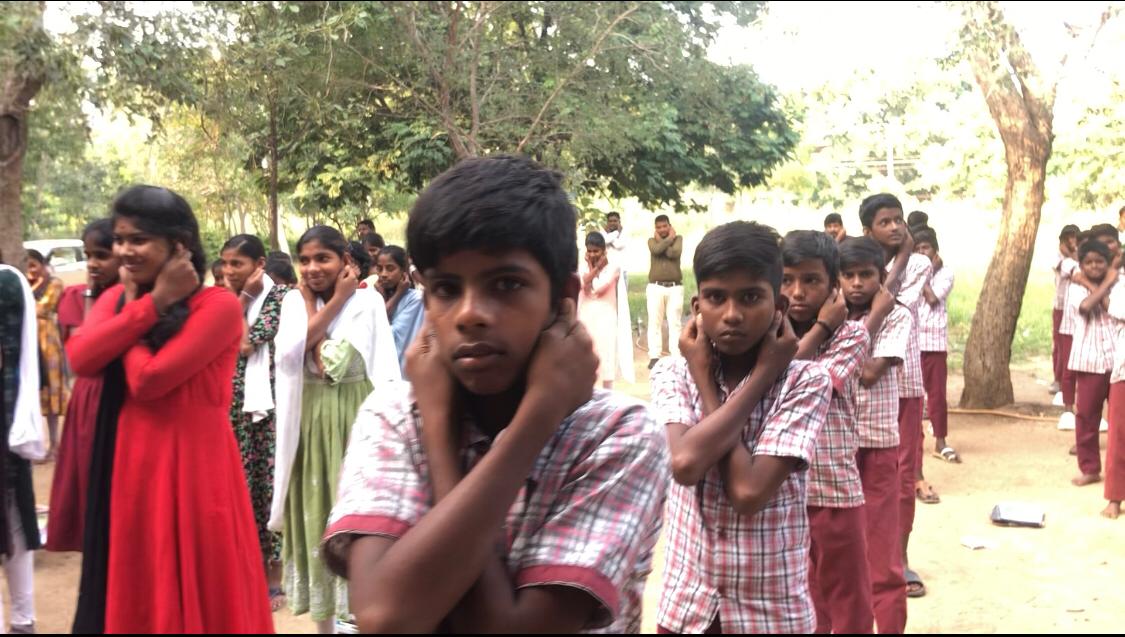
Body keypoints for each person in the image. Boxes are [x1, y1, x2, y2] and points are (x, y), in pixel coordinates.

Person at [321, 155, 668, 634]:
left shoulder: (615, 434)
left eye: (506, 284)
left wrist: (537, 418)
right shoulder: (395, 413)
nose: (470, 314)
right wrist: (440, 426)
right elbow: (386, 615)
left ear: (562, 298)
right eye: (445, 288)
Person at [66, 185, 273, 633]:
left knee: (205, 587)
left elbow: (149, 380)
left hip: (197, 468)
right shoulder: (116, 299)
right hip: (133, 467)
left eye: (138, 239)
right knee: (141, 582)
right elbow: (80, 358)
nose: (124, 251)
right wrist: (151, 304)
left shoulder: (217, 306)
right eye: (120, 239)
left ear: (178, 246)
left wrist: (136, 310)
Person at [653, 221, 830, 633]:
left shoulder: (805, 381)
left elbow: (749, 493)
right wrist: (705, 376)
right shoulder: (674, 374)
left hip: (770, 614)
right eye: (716, 297)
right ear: (697, 306)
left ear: (779, 305)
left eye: (751, 297)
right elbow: (685, 464)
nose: (732, 315)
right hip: (688, 608)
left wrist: (766, 374)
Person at [270, 225, 400, 633]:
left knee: (353, 524)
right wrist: (316, 308)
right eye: (304, 260)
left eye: (322, 258)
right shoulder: (293, 300)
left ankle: (362, 621)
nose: (311, 268)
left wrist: (330, 302)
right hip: (307, 425)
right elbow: (288, 354)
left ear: (345, 261)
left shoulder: (365, 302)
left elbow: (331, 364)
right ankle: (324, 629)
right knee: (314, 515)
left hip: (352, 421)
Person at [781, 230, 873, 633]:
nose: (797, 292)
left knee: (849, 600)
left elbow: (800, 382)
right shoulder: (769, 336)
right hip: (782, 494)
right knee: (801, 598)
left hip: (834, 490)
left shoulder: (852, 334)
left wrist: (821, 328)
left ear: (833, 286)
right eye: (786, 280)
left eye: (811, 280)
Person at [859, 193, 934, 602]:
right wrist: (896, 256)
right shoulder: (856, 266)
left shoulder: (919, 264)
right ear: (868, 229)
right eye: (884, 221)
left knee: (903, 478)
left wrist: (904, 256)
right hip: (861, 383)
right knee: (860, 474)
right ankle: (865, 558)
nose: (894, 227)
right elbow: (876, 294)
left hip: (903, 381)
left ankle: (898, 558)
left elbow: (887, 302)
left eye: (898, 220)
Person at [839, 237, 910, 633]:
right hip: (836, 450)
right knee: (834, 556)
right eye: (847, 275)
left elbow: (866, 373)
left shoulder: (897, 315)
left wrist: (875, 316)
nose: (856, 284)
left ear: (882, 278)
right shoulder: (827, 317)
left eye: (866, 274)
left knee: (883, 556)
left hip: (877, 444)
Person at [220, 234, 291, 611]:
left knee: (267, 488)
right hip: (232, 408)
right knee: (238, 488)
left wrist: (244, 299)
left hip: (267, 408)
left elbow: (246, 343)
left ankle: (274, 579)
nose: (230, 271)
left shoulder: (279, 298)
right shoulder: (222, 298)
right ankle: (244, 573)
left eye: (238, 264)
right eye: (226, 264)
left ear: (258, 264)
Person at [45, 219, 120, 553]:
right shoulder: (79, 296)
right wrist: (93, 290)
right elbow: (83, 348)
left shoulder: (138, 299)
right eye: (88, 254)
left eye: (101, 255)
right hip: (88, 397)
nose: (92, 263)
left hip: (114, 399)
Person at [0, 259, 46, 634]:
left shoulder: (8, 283)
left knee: (12, 512)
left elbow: (23, 360)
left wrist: (23, 422)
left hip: (5, 424)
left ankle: (22, 619)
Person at [1066, 239, 1116, 487]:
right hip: (1089, 360)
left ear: (1108, 263)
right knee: (1086, 416)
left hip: (1118, 361)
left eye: (1100, 262)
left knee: (1120, 419)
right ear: (1081, 264)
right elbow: (1086, 307)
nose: (1095, 266)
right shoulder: (1076, 288)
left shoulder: (1121, 284)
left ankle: (1119, 471)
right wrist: (1102, 282)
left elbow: (1113, 307)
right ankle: (1090, 468)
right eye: (1089, 262)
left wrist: (1106, 284)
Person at [914, 229, 958, 462]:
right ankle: (913, 443)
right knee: (912, 396)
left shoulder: (945, 274)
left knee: (937, 395)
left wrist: (921, 273)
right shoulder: (906, 272)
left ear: (935, 251)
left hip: (934, 343)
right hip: (912, 342)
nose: (922, 253)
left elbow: (932, 299)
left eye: (926, 248)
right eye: (918, 249)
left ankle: (940, 441)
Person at [24, 249, 66, 461]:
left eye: (34, 265)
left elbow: (42, 308)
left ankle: (55, 445)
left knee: (51, 393)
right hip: (28, 343)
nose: (31, 271)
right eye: (27, 266)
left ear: (42, 264)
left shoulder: (54, 283)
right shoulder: (26, 285)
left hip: (47, 344)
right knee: (34, 396)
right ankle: (38, 447)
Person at [578, 232, 631, 389]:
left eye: (596, 251)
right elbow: (584, 283)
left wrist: (595, 269)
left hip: (606, 317)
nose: (593, 254)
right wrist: (593, 267)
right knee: (587, 354)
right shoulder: (583, 266)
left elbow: (598, 288)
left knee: (606, 356)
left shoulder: (614, 267)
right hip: (586, 316)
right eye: (590, 251)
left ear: (604, 251)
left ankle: (608, 396)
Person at [373, 245, 425, 374]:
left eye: (390, 268)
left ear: (403, 271)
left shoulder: (416, 299)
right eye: (379, 269)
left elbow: (390, 335)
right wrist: (383, 297)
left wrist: (397, 296)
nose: (383, 274)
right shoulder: (374, 296)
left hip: (402, 373)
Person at [646, 214, 684, 370]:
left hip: (675, 287)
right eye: (658, 227)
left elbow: (673, 254)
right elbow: (656, 250)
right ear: (655, 228)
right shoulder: (651, 241)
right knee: (654, 322)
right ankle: (655, 356)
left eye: (664, 226)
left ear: (670, 226)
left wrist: (665, 241)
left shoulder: (679, 239)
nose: (662, 229)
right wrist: (668, 239)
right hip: (655, 287)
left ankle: (676, 355)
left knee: (675, 323)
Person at [1053, 225, 1082, 397]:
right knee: (1060, 345)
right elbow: (1069, 269)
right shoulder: (1058, 257)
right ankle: (1058, 379)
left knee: (1072, 346)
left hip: (1076, 308)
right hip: (1061, 306)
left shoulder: (1078, 257)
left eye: (1074, 237)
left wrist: (1072, 253)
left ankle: (1071, 380)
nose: (1072, 241)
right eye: (1068, 238)